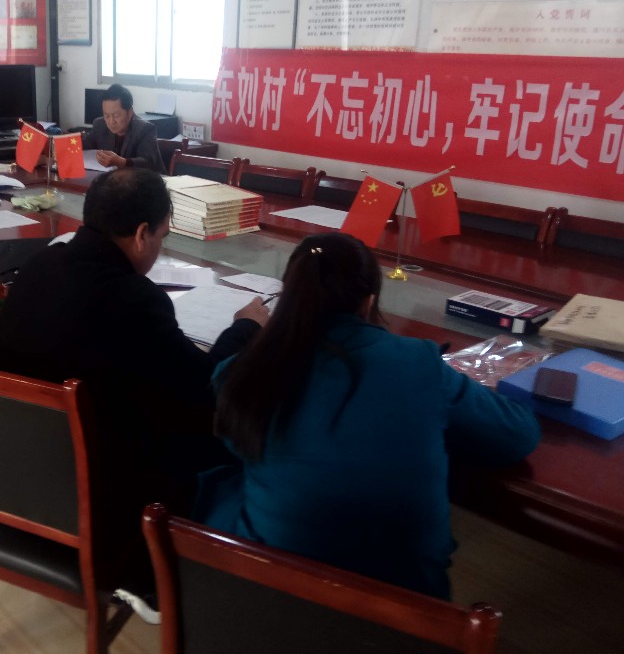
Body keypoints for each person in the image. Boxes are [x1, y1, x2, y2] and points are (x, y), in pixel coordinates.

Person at [195, 232, 541, 600]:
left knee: (225, 483)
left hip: (272, 598)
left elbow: (240, 447)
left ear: (289, 296)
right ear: (369, 301)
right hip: (407, 609)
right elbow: (518, 437)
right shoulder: (418, 363)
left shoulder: (239, 373)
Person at [0, 167, 267, 569]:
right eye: (162, 236)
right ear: (141, 234)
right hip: (101, 487)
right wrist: (245, 328)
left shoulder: (42, 262)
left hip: (17, 461)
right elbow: (203, 387)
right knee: (230, 430)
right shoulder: (134, 298)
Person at [83, 84, 166, 173]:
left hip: (146, 179)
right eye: (106, 116)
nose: (111, 121)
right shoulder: (100, 125)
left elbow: (148, 162)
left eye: (116, 115)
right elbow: (86, 147)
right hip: (114, 178)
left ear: (130, 112)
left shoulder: (144, 129)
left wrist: (122, 162)